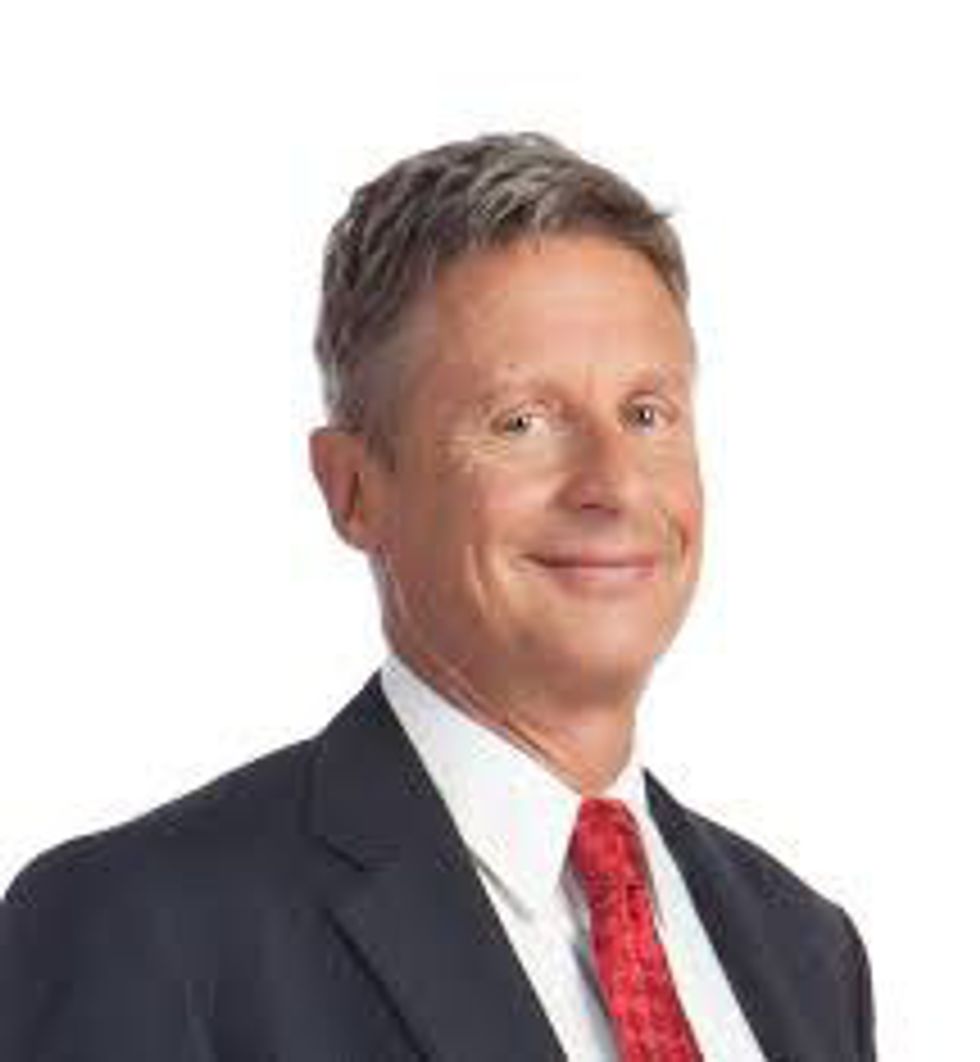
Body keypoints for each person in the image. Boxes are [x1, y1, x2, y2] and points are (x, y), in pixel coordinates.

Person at [0, 132, 875, 1061]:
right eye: (521, 422)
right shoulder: (140, 927)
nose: (614, 485)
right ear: (354, 490)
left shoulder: (807, 949)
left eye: (646, 414)